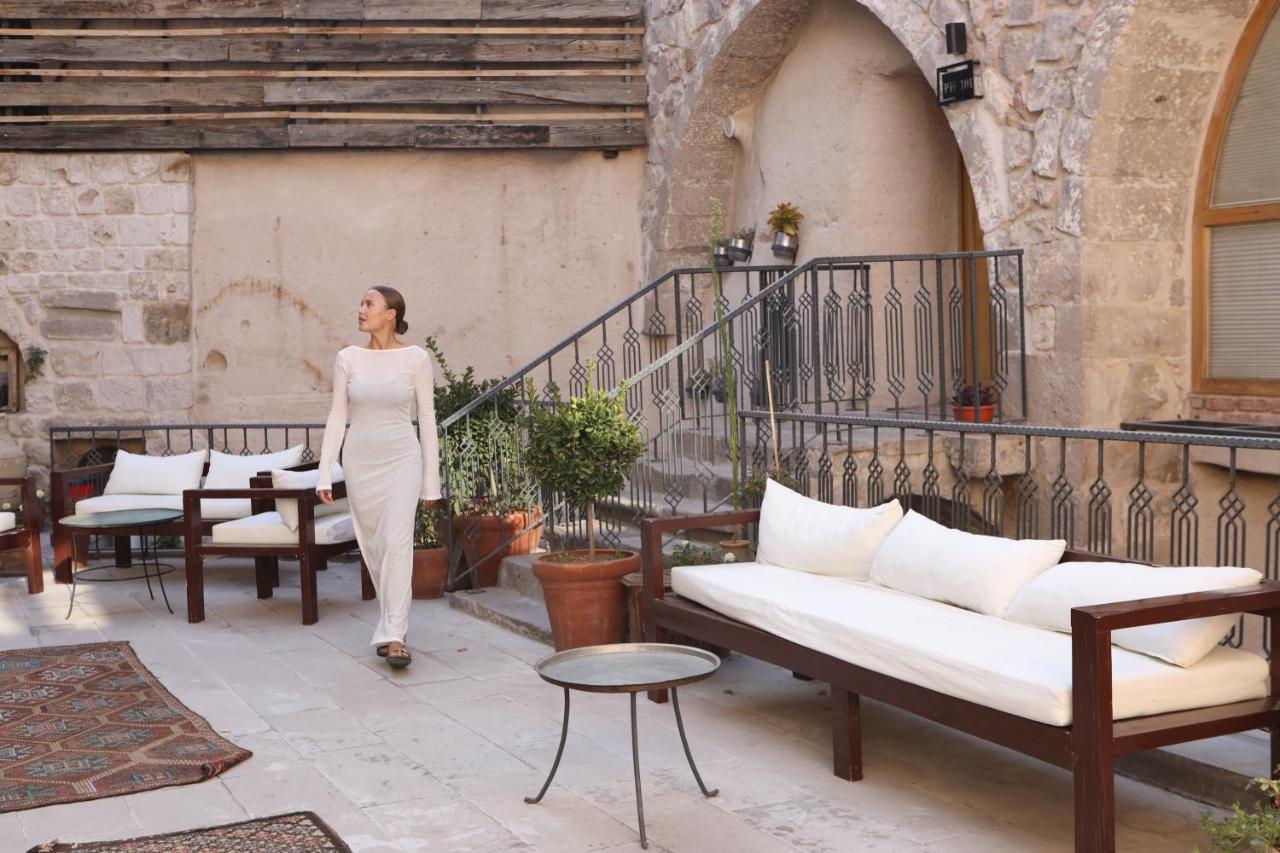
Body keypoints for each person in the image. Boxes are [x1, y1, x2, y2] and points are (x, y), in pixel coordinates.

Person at [316, 286, 442, 669]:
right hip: (360, 462)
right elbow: (338, 415)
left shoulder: (416, 358)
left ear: (391, 314)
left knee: (398, 542)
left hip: (402, 459)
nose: (360, 309)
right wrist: (325, 472)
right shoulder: (348, 358)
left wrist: (431, 483)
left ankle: (395, 636)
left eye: (369, 304)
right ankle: (390, 624)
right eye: (361, 303)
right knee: (375, 547)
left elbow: (427, 418)